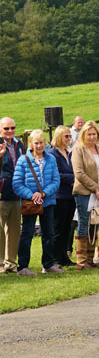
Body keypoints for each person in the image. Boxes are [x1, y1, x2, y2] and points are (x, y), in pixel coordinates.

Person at [13, 130, 62, 275]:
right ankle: (23, 266)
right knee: (27, 233)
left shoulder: (51, 159)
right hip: (30, 203)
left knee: (49, 233)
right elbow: (17, 183)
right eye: (36, 143)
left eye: (41, 143)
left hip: (47, 201)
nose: (39, 146)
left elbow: (56, 180)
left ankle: (48, 263)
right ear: (31, 144)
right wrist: (32, 195)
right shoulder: (23, 160)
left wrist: (44, 193)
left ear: (45, 143)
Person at [71, 121, 99, 270]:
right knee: (84, 223)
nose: (92, 137)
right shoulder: (78, 150)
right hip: (84, 192)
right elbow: (79, 173)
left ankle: (90, 259)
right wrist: (95, 188)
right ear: (83, 135)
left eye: (94, 134)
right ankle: (81, 262)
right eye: (89, 134)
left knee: (95, 223)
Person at [49, 126, 76, 267]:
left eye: (70, 136)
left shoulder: (68, 153)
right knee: (58, 228)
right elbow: (55, 174)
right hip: (59, 195)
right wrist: (72, 178)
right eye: (66, 136)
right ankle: (54, 258)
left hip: (71, 195)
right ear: (59, 137)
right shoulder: (53, 154)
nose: (68, 139)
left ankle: (63, 257)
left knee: (67, 228)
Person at [0, 117, 24, 274]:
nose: (10, 131)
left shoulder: (19, 144)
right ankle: (1, 264)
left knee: (15, 230)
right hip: (1, 193)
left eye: (12, 128)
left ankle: (11, 263)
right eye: (6, 128)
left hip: (16, 193)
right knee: (0, 230)